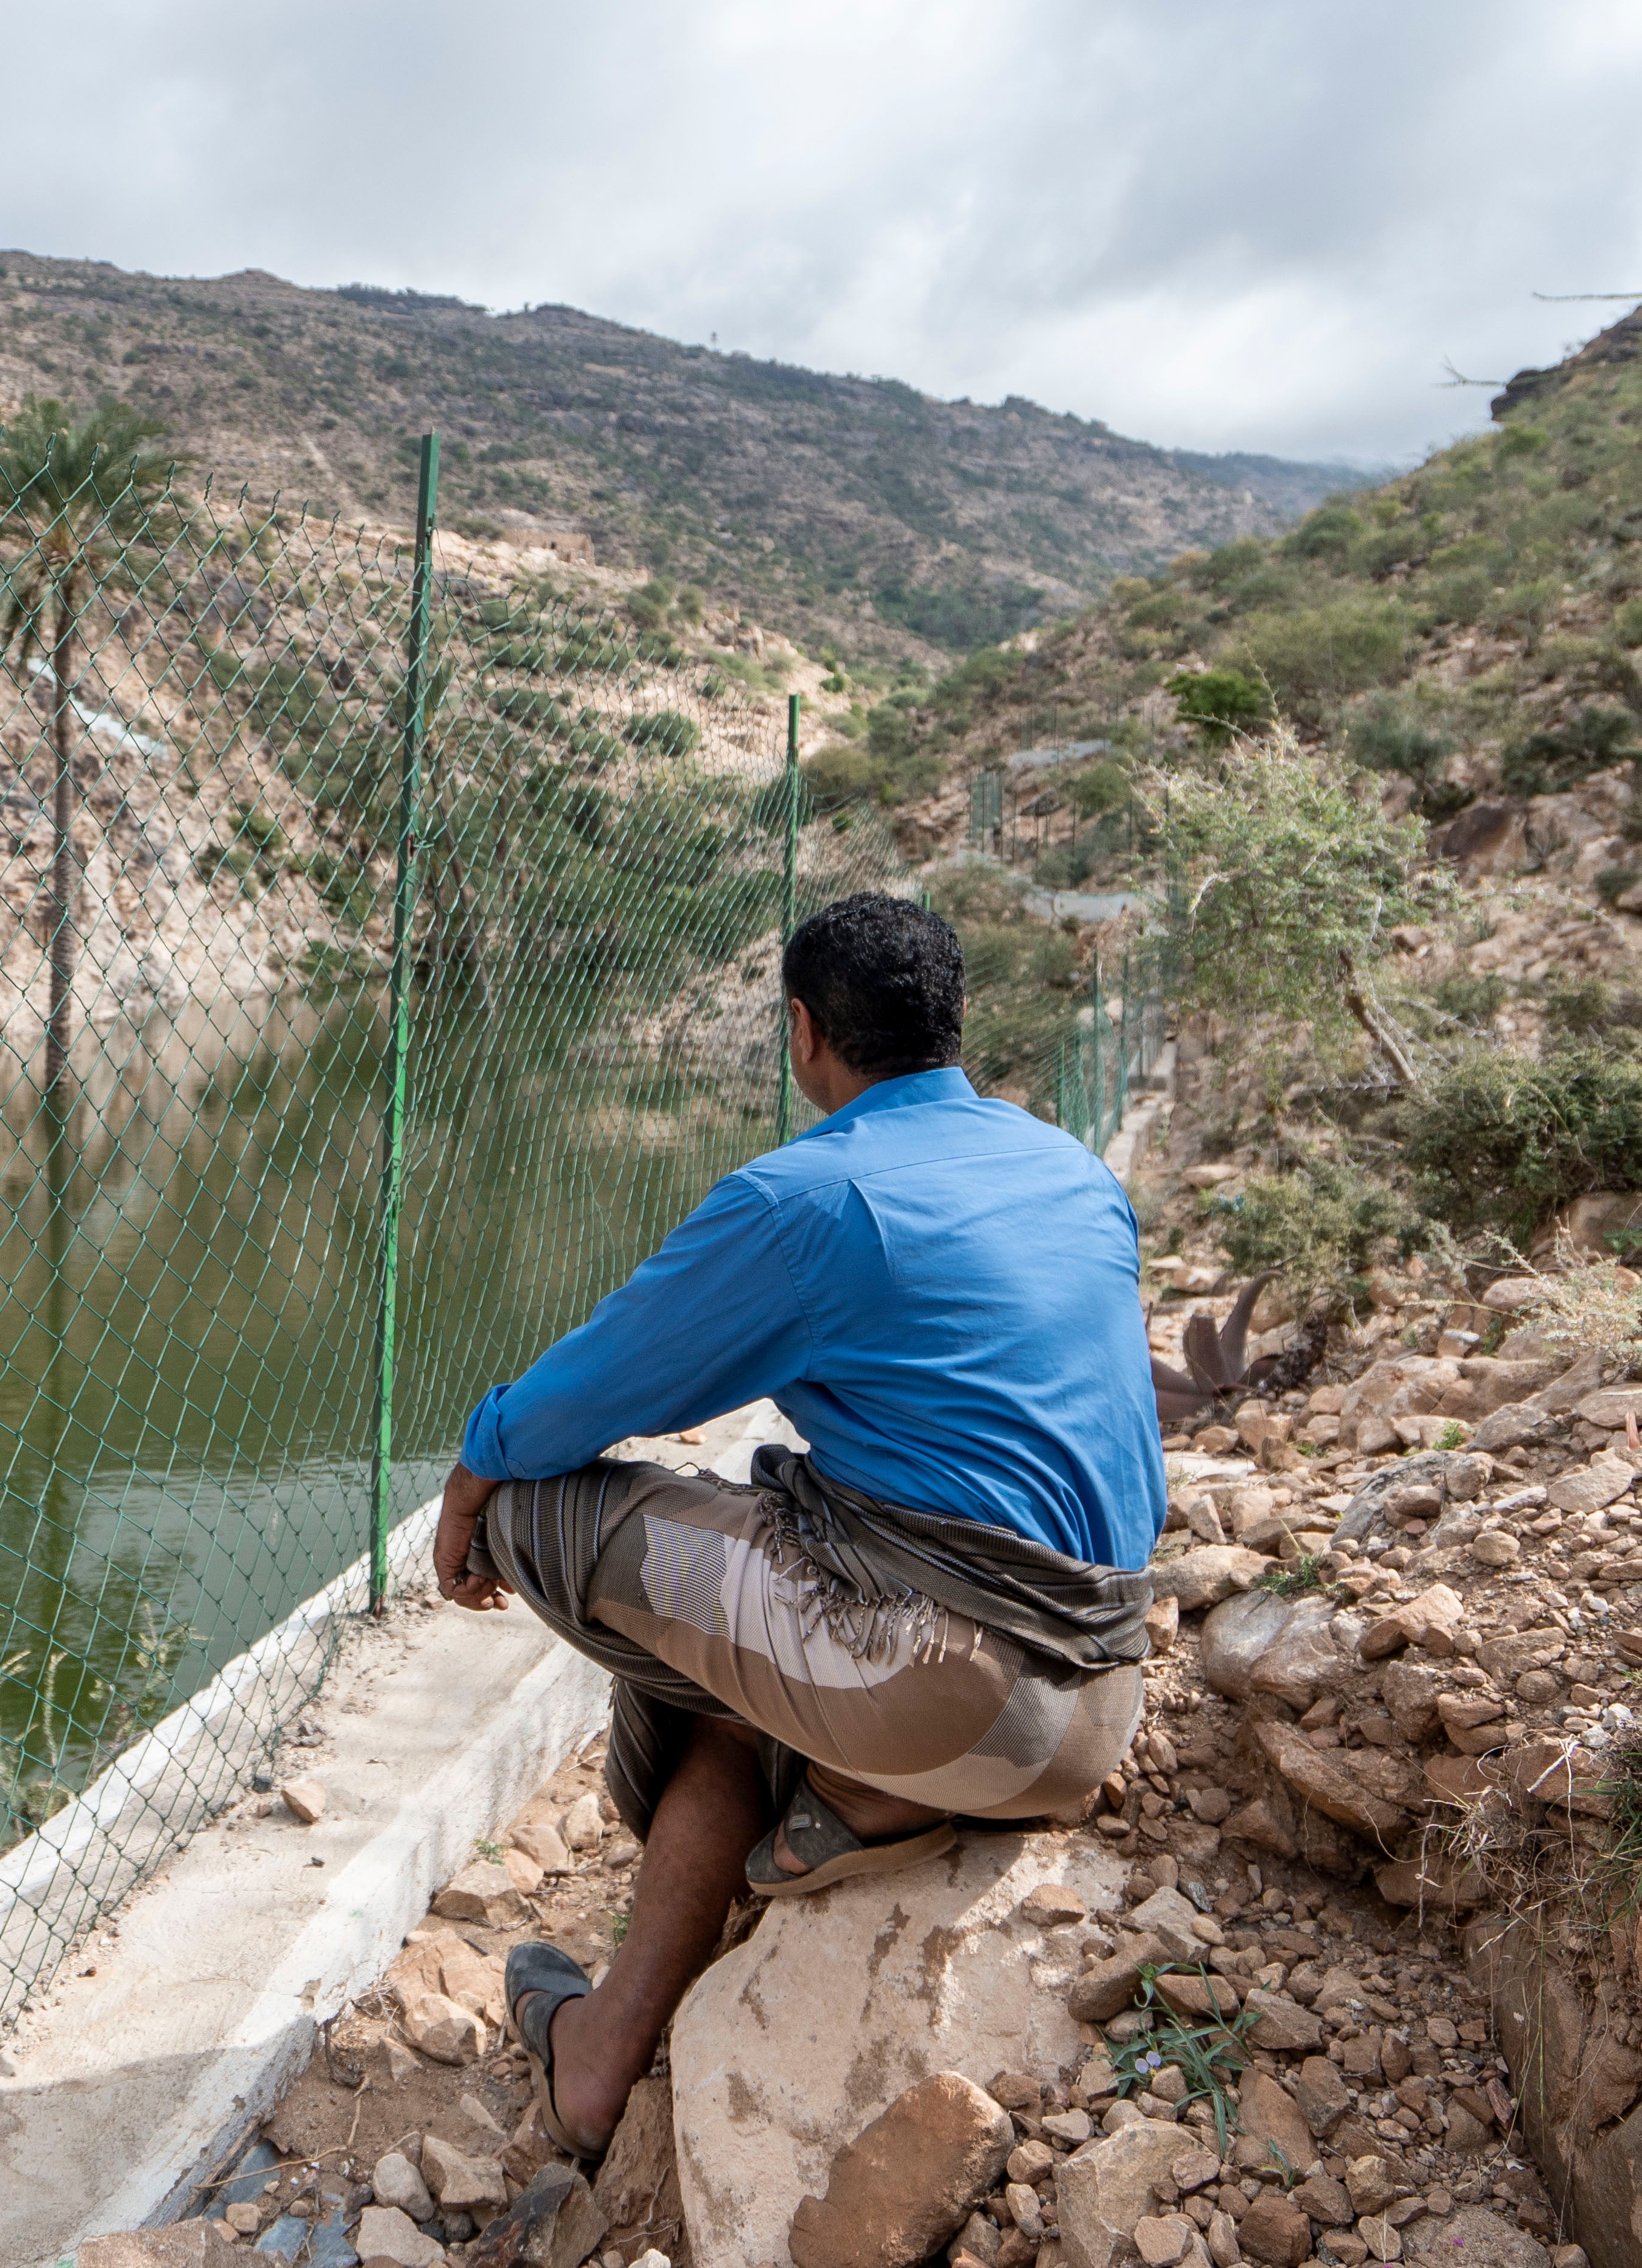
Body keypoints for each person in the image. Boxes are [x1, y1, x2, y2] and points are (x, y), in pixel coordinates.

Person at [432, 889, 1164, 2161]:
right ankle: (603, 2055)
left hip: (941, 1693)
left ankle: (859, 1784)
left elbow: (578, 1399)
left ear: (801, 1031)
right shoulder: (1072, 1169)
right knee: (745, 1646)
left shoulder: (807, 1198)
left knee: (541, 1505)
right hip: (1098, 1701)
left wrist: (467, 1484)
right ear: (952, 1026)